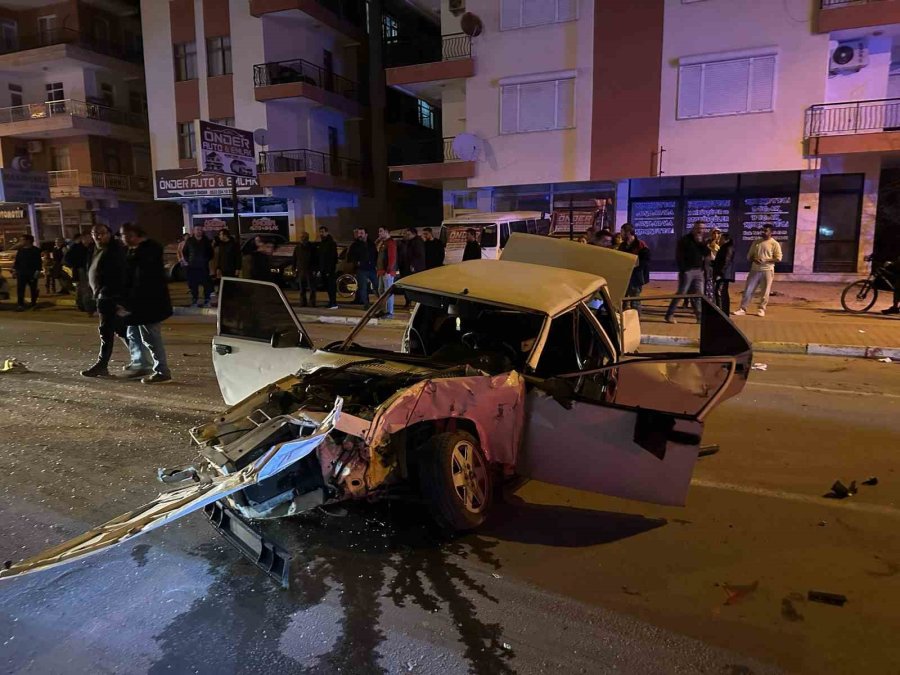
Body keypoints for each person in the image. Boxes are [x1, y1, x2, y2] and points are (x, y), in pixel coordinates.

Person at [119, 223, 173, 384]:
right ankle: (141, 363)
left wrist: (129, 301)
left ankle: (162, 371)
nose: (123, 238)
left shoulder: (147, 252)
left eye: (126, 235)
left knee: (151, 337)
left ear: (135, 235)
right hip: (136, 303)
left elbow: (142, 281)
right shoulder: (133, 251)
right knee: (133, 333)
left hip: (148, 303)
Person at [81, 224, 128, 377]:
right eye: (95, 233)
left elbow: (118, 275)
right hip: (100, 295)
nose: (98, 237)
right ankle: (142, 359)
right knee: (121, 330)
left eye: (102, 233)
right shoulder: (93, 249)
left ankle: (102, 364)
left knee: (106, 331)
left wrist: (112, 296)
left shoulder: (115, 250)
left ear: (109, 234)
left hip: (110, 296)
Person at [734, 225, 783, 317]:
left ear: (771, 232)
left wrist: (766, 260)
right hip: (754, 270)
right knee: (748, 290)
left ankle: (761, 309)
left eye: (766, 231)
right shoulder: (756, 242)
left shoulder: (774, 243)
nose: (763, 232)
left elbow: (778, 258)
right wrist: (754, 259)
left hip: (767, 270)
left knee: (765, 291)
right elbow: (749, 256)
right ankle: (742, 309)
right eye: (763, 230)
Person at [664, 221, 707, 324]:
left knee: (698, 294)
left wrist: (701, 243)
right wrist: (684, 269)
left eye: (702, 228)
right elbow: (679, 256)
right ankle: (669, 314)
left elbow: (706, 253)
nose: (700, 230)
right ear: (693, 228)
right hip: (687, 271)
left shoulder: (702, 241)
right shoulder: (685, 240)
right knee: (681, 293)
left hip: (699, 271)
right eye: (698, 228)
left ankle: (699, 317)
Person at [618, 223, 650, 311]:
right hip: (624, 277)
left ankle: (636, 320)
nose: (620, 234)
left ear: (628, 233)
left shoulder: (641, 245)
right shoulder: (622, 246)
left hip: (636, 278)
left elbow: (645, 261)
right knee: (624, 301)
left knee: (635, 302)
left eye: (622, 232)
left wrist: (633, 266)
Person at [182, 226, 214, 307]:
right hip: (192, 267)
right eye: (197, 230)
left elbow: (211, 252)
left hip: (203, 266)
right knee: (194, 284)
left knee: (206, 284)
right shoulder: (189, 241)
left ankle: (207, 300)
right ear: (194, 231)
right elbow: (185, 252)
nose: (199, 231)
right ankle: (195, 299)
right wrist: (188, 261)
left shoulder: (206, 241)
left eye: (200, 230)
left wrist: (206, 259)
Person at [65, 232, 94, 314]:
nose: (90, 240)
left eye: (90, 238)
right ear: (83, 239)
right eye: (87, 238)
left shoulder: (91, 247)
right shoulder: (76, 247)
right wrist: (77, 265)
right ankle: (85, 306)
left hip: (89, 270)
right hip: (80, 270)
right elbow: (67, 259)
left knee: (85, 289)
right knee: (83, 289)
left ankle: (83, 305)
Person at [348, 229, 377, 308]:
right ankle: (366, 304)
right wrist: (356, 262)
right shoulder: (355, 245)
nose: (359, 235)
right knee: (363, 288)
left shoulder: (371, 244)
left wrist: (375, 264)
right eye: (358, 233)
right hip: (361, 269)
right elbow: (350, 256)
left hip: (371, 268)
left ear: (366, 234)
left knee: (377, 286)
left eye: (361, 233)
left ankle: (381, 303)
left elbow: (375, 254)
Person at [13, 234, 41, 311]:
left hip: (32, 273)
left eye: (22, 240)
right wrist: (15, 270)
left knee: (33, 289)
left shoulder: (35, 250)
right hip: (21, 273)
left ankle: (33, 303)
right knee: (20, 289)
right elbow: (17, 261)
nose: (21, 241)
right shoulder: (21, 250)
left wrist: (38, 271)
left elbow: (38, 262)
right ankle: (20, 304)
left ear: (28, 241)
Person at [375, 226, 398, 318]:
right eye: (379, 231)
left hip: (387, 272)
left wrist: (388, 270)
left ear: (386, 232)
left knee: (387, 292)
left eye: (381, 231)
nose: (379, 233)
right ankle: (383, 310)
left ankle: (389, 312)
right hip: (381, 271)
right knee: (381, 290)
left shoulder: (390, 243)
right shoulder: (383, 243)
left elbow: (392, 258)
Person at [712, 232, 735, 315]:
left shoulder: (728, 248)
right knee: (722, 292)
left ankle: (722, 313)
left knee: (719, 292)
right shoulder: (724, 247)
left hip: (723, 275)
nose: (719, 240)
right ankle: (723, 312)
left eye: (721, 239)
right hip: (723, 274)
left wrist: (720, 273)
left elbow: (726, 261)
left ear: (726, 240)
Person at [293, 231, 318, 307]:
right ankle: (303, 302)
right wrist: (294, 268)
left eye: (304, 237)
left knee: (312, 288)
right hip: (301, 270)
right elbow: (294, 258)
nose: (302, 238)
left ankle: (312, 302)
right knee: (302, 288)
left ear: (307, 238)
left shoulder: (312, 247)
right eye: (301, 237)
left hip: (310, 270)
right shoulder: (297, 248)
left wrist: (315, 269)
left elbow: (316, 259)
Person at [318, 226, 338, 309]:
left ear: (327, 232)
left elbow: (333, 257)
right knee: (328, 287)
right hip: (324, 269)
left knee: (331, 287)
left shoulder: (331, 243)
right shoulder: (322, 243)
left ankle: (333, 303)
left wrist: (329, 270)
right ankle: (331, 302)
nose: (321, 233)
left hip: (329, 270)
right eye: (320, 232)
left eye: (322, 232)